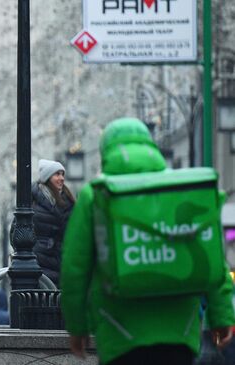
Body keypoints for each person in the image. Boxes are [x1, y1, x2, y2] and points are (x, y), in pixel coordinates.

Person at [60, 117, 235, 365]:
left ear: (105, 152)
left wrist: (77, 327)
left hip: (119, 329)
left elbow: (74, 268)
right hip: (179, 331)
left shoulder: (96, 194)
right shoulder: (178, 190)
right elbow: (212, 259)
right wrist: (222, 316)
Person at [32, 159, 76, 286]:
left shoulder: (68, 200)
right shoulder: (33, 201)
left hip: (61, 264)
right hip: (40, 265)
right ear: (47, 178)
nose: (62, 178)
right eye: (57, 174)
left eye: (63, 174)